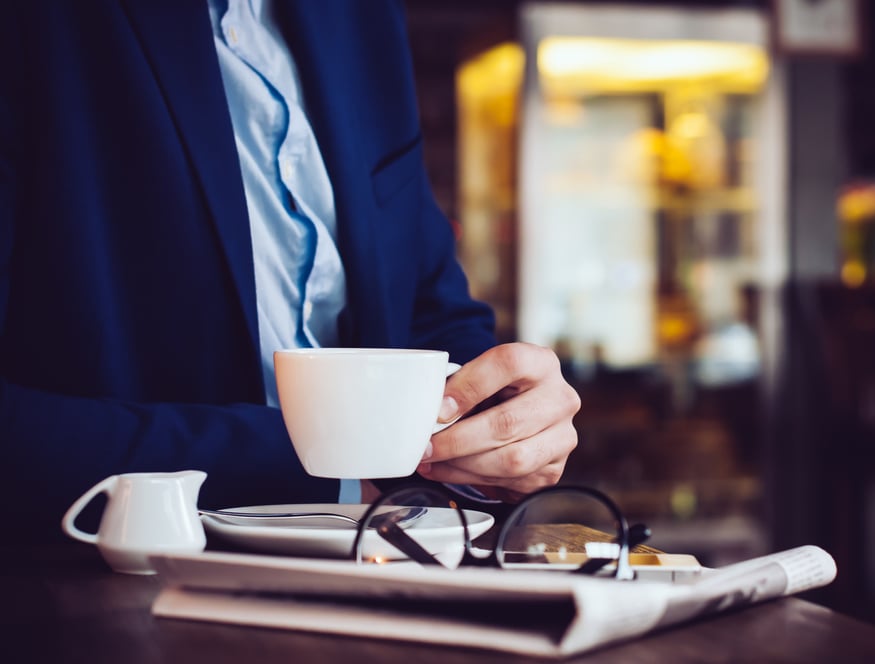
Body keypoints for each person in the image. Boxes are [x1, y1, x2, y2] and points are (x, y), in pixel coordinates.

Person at [0, 1, 580, 540]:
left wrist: (502, 423)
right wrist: (315, 460)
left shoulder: (361, 17)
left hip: (388, 573)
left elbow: (426, 312)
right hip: (100, 590)